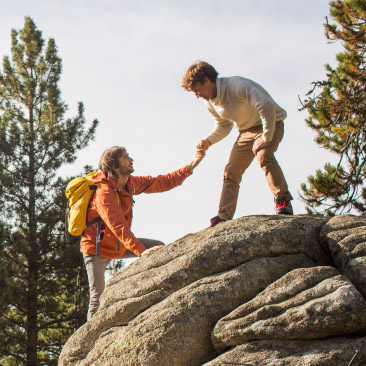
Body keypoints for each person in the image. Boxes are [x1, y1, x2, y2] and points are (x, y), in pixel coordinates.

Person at [81, 146, 204, 320]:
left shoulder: (130, 183)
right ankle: (88, 345)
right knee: (97, 299)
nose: (131, 160)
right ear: (115, 166)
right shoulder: (104, 193)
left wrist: (191, 166)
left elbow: (162, 182)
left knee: (158, 248)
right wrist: (140, 250)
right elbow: (118, 226)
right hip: (96, 250)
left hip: (119, 245)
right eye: (125, 157)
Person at [182, 61, 293, 227]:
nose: (196, 95)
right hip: (246, 132)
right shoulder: (210, 103)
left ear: (207, 80)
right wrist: (209, 140)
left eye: (196, 89)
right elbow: (224, 125)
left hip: (271, 122)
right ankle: (223, 217)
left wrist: (266, 136)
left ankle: (282, 200)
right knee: (231, 171)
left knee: (264, 154)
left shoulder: (236, 86)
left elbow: (266, 105)